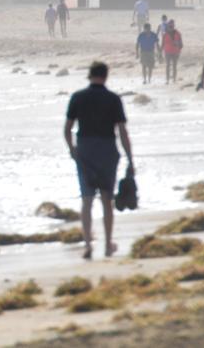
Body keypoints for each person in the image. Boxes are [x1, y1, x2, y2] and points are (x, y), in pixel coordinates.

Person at [63, 62, 135, 259]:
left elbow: (67, 129)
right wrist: (130, 158)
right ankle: (108, 244)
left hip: (85, 150)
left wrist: (72, 150)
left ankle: (87, 244)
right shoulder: (113, 99)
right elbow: (122, 131)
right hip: (107, 150)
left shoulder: (78, 97)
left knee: (86, 200)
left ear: (90, 75)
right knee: (106, 199)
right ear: (105, 76)